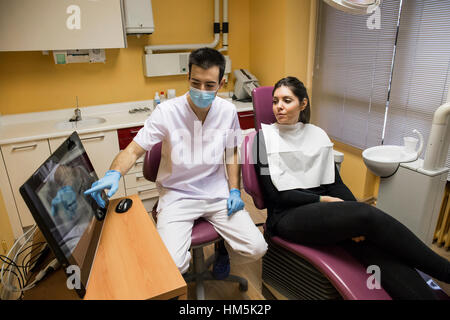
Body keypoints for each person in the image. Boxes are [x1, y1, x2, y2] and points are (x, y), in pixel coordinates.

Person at [254, 76, 450, 299]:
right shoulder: (263, 140)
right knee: (366, 215)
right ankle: (445, 271)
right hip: (287, 216)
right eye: (275, 101)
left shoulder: (316, 135)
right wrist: (322, 201)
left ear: (303, 103)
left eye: (286, 100)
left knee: (374, 249)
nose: (278, 106)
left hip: (324, 213)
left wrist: (351, 218)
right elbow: (273, 195)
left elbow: (335, 184)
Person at [84, 47, 267, 278]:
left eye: (209, 85)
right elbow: (132, 151)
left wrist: (234, 191)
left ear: (221, 84)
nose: (202, 90)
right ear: (187, 78)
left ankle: (222, 249)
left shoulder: (228, 111)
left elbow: (231, 152)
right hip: (177, 195)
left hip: (217, 194)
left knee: (257, 248)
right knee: (172, 266)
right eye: (195, 82)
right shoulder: (166, 112)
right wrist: (114, 173)